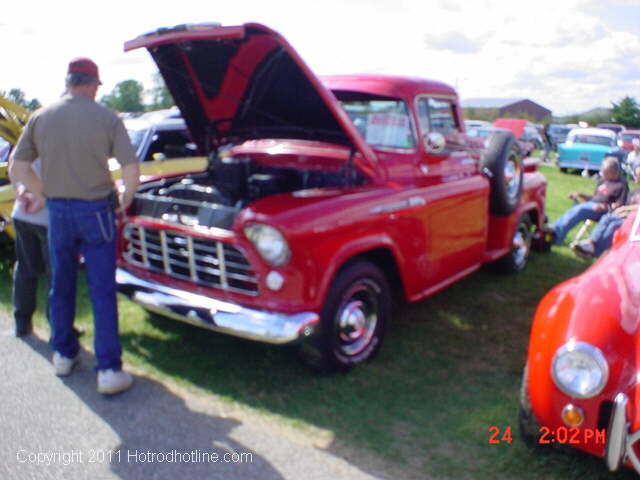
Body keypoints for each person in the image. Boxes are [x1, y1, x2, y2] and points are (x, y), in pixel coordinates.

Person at [9, 57, 140, 395]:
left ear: (69, 81)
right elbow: (130, 165)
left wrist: (43, 193)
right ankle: (109, 369)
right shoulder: (107, 118)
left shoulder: (41, 116)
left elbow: (17, 165)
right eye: (97, 86)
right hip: (96, 210)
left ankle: (64, 354)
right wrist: (126, 196)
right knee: (101, 291)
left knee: (60, 285)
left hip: (59, 213)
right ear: (92, 84)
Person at [9, 156, 50, 337]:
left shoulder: (30, 132)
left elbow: (13, 164)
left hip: (23, 212)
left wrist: (19, 190)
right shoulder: (62, 136)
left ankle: (22, 323)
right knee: (56, 275)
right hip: (48, 215)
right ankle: (60, 328)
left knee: (25, 269)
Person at [548, 156, 628, 245]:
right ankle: (554, 228)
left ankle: (556, 234)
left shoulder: (621, 185)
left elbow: (620, 204)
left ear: (612, 171)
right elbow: (594, 197)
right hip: (592, 204)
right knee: (576, 208)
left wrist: (605, 207)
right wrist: (579, 194)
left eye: (605, 171)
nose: (602, 173)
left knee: (580, 210)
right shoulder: (603, 180)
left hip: (603, 211)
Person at [573, 164, 640, 258]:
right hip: (624, 216)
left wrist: (625, 210)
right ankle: (591, 243)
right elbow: (625, 204)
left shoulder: (625, 186)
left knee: (613, 225)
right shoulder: (635, 192)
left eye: (638, 175)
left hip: (635, 222)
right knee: (607, 217)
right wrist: (620, 209)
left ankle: (594, 252)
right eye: (636, 174)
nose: (635, 176)